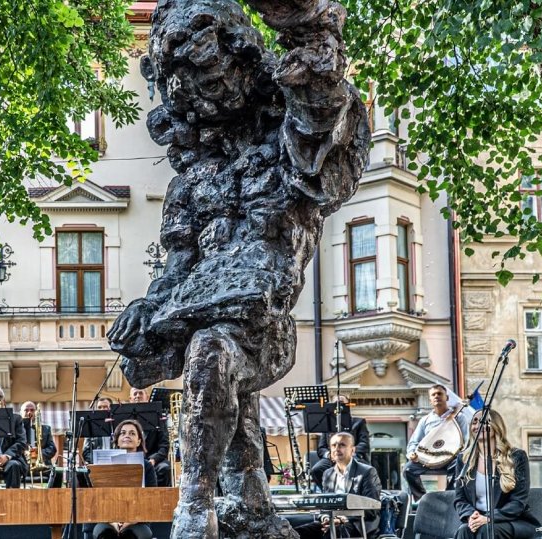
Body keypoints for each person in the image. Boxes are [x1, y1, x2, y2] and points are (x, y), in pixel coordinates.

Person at [106, 0, 370, 534]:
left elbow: (320, 111)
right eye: (182, 86)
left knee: (212, 350)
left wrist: (309, 33)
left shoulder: (284, 149)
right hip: (213, 312)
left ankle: (195, 506)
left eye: (206, 76)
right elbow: (176, 270)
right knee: (222, 379)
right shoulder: (190, 185)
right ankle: (249, 501)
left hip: (263, 324)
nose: (196, 95)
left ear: (243, 64)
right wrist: (147, 307)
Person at [453, 409, 540, 539]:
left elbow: (518, 502)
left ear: (496, 426)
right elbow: (460, 499)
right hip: (479, 519)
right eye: (474, 422)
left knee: (487, 530)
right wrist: (472, 515)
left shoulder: (516, 457)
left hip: (513, 521)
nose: (477, 426)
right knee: (464, 531)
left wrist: (489, 517)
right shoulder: (464, 459)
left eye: (483, 421)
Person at [294, 432, 382, 539]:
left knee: (333, 531)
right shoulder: (327, 474)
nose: (337, 449)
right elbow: (325, 506)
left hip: (357, 524)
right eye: (333, 445)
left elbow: (372, 508)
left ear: (353, 450)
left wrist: (341, 519)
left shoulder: (367, 472)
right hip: (333, 522)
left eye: (342, 445)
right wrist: (326, 518)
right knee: (296, 532)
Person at [92, 419, 157, 539]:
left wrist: (130, 521)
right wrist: (112, 521)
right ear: (116, 440)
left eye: (132, 433)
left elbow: (151, 498)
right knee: (106, 535)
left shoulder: (147, 466)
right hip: (107, 520)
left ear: (139, 441)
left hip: (138, 521)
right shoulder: (102, 464)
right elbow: (97, 497)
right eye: (123, 433)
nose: (127, 435)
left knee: (130, 536)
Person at [404, 384, 470, 500]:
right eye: (433, 395)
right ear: (430, 400)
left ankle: (450, 497)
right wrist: (412, 454)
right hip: (429, 460)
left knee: (460, 463)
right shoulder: (425, 420)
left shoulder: (459, 417)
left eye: (440, 394)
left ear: (447, 397)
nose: (437, 396)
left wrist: (456, 453)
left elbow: (466, 441)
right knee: (408, 469)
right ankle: (423, 499)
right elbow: (413, 443)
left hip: (450, 459)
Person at [311, 395, 370, 489]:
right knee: (316, 469)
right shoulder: (327, 423)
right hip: (332, 458)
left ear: (348, 405)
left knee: (363, 469)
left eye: (342, 403)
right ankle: (328, 492)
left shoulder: (359, 422)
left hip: (352, 457)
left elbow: (364, 444)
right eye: (335, 404)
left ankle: (355, 492)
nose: (338, 406)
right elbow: (321, 448)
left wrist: (349, 453)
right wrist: (329, 455)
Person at [129, 387, 171, 487]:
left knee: (165, 468)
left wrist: (153, 460)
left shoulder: (158, 417)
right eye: (135, 394)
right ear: (130, 399)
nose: (137, 396)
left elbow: (164, 445)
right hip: (130, 459)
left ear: (147, 397)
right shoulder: (124, 418)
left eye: (140, 393)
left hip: (153, 460)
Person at [20, 401, 57, 468]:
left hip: (43, 465)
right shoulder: (16, 429)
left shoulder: (46, 429)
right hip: (22, 466)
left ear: (36, 412)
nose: (29, 412)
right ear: (21, 413)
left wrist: (38, 453)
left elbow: (52, 449)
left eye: (32, 410)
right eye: (26, 410)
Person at [83, 396, 114, 464]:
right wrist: (97, 461)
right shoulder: (91, 427)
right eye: (99, 407)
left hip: (116, 465)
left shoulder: (117, 426)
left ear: (111, 408)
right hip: (97, 466)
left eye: (105, 406)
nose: (102, 409)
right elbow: (86, 452)